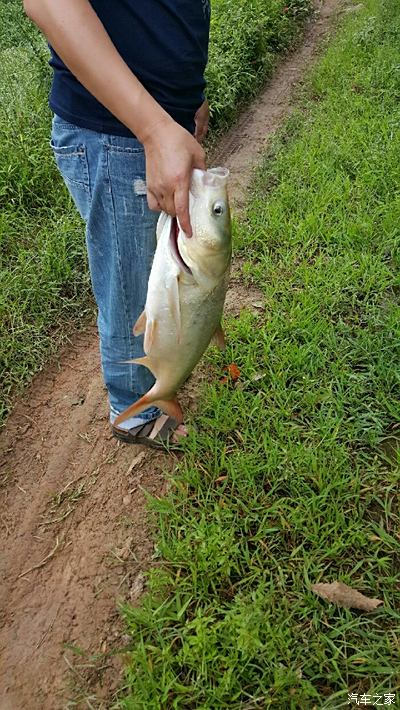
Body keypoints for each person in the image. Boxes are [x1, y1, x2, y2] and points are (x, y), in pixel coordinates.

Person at [23, 0, 211, 448]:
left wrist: (188, 97)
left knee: (156, 272)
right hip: (117, 131)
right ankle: (135, 412)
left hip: (157, 123)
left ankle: (157, 380)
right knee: (129, 285)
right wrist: (154, 130)